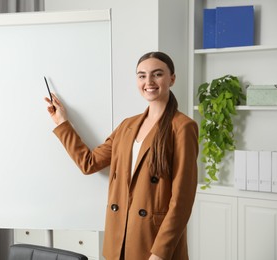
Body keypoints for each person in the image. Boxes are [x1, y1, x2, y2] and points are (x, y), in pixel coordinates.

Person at [45, 51, 199, 260]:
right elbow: (89, 163)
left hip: (154, 244)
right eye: (142, 75)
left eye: (157, 74)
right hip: (118, 241)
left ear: (172, 78)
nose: (149, 81)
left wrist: (160, 252)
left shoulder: (183, 127)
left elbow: (182, 199)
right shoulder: (128, 125)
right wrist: (62, 123)